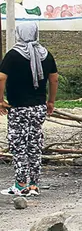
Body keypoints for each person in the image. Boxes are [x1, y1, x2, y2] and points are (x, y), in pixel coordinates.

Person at [0, 23, 57, 197]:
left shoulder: (13, 55)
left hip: (18, 108)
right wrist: (51, 101)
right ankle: (34, 185)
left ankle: (20, 184)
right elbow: (54, 79)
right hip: (39, 108)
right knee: (34, 145)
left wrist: (0, 100)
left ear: (19, 34)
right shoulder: (45, 55)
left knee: (19, 146)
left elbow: (1, 78)